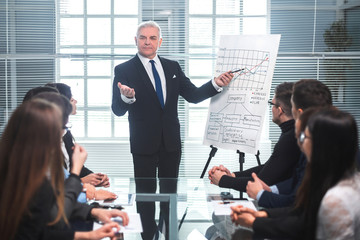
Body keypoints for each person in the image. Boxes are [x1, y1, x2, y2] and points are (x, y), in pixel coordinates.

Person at [111, 20, 234, 240]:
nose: (147, 42)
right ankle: (148, 236)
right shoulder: (123, 69)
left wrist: (216, 83)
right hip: (143, 144)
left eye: (152, 38)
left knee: (170, 193)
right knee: (145, 195)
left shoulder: (172, 67)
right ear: (135, 40)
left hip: (171, 143)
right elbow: (117, 110)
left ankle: (168, 234)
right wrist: (126, 97)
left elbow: (194, 95)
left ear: (160, 41)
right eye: (142, 37)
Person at [0, 99, 128, 240]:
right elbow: (57, 217)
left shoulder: (23, 168)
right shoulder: (28, 177)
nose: (64, 133)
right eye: (63, 127)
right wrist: (75, 171)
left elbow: (39, 226)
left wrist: (92, 215)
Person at [230, 108, 359, 240]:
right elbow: (304, 212)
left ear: (322, 145)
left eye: (304, 137)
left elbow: (305, 228)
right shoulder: (335, 177)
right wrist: (263, 215)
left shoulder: (337, 197)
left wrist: (254, 222)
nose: (299, 143)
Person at [246, 79, 333, 208]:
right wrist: (271, 190)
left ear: (300, 113)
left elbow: (298, 205)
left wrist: (260, 195)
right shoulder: (319, 139)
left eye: (291, 107)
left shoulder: (317, 147)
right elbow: (298, 181)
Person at [208, 82, 301, 192]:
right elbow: (269, 168)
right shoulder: (292, 133)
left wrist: (223, 180)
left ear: (279, 110)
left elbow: (262, 182)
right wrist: (232, 176)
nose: (271, 109)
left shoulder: (290, 138)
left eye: (272, 104)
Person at [46, 82, 110, 187]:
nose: (76, 101)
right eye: (71, 100)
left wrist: (95, 178)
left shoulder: (66, 134)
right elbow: (50, 186)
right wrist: (82, 181)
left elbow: (75, 168)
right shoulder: (43, 143)